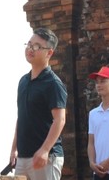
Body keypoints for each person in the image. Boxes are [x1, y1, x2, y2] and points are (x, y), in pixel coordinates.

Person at [9, 28, 67, 180]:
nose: (30, 49)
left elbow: (59, 120)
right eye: (29, 44)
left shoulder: (53, 83)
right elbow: (22, 117)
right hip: (22, 157)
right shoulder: (23, 81)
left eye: (37, 46)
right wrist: (14, 149)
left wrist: (45, 150)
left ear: (49, 53)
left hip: (46, 158)